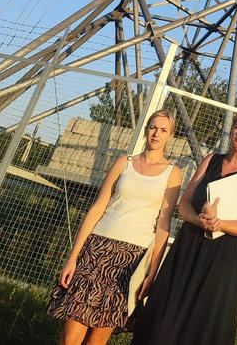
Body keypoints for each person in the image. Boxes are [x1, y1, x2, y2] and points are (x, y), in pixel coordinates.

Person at [131, 108, 237, 345]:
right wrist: (198, 220)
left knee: (198, 326)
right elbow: (183, 204)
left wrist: (219, 223)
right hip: (188, 247)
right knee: (164, 320)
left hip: (219, 258)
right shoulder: (211, 160)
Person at [48, 108, 183, 345]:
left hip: (131, 259)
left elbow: (163, 225)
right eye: (153, 127)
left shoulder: (173, 174)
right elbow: (98, 207)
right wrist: (73, 257)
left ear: (170, 136)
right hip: (97, 250)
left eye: (163, 130)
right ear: (146, 130)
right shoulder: (124, 162)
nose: (156, 134)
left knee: (97, 340)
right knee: (70, 337)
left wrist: (153, 271)